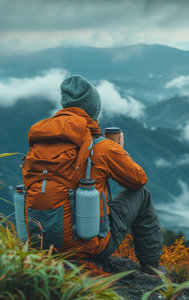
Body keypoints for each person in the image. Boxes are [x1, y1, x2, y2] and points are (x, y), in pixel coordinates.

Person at [23, 74, 163, 275]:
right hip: (88, 247)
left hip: (42, 246)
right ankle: (152, 270)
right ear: (93, 112)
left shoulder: (40, 145)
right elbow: (138, 179)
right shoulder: (103, 148)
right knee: (142, 194)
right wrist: (119, 150)